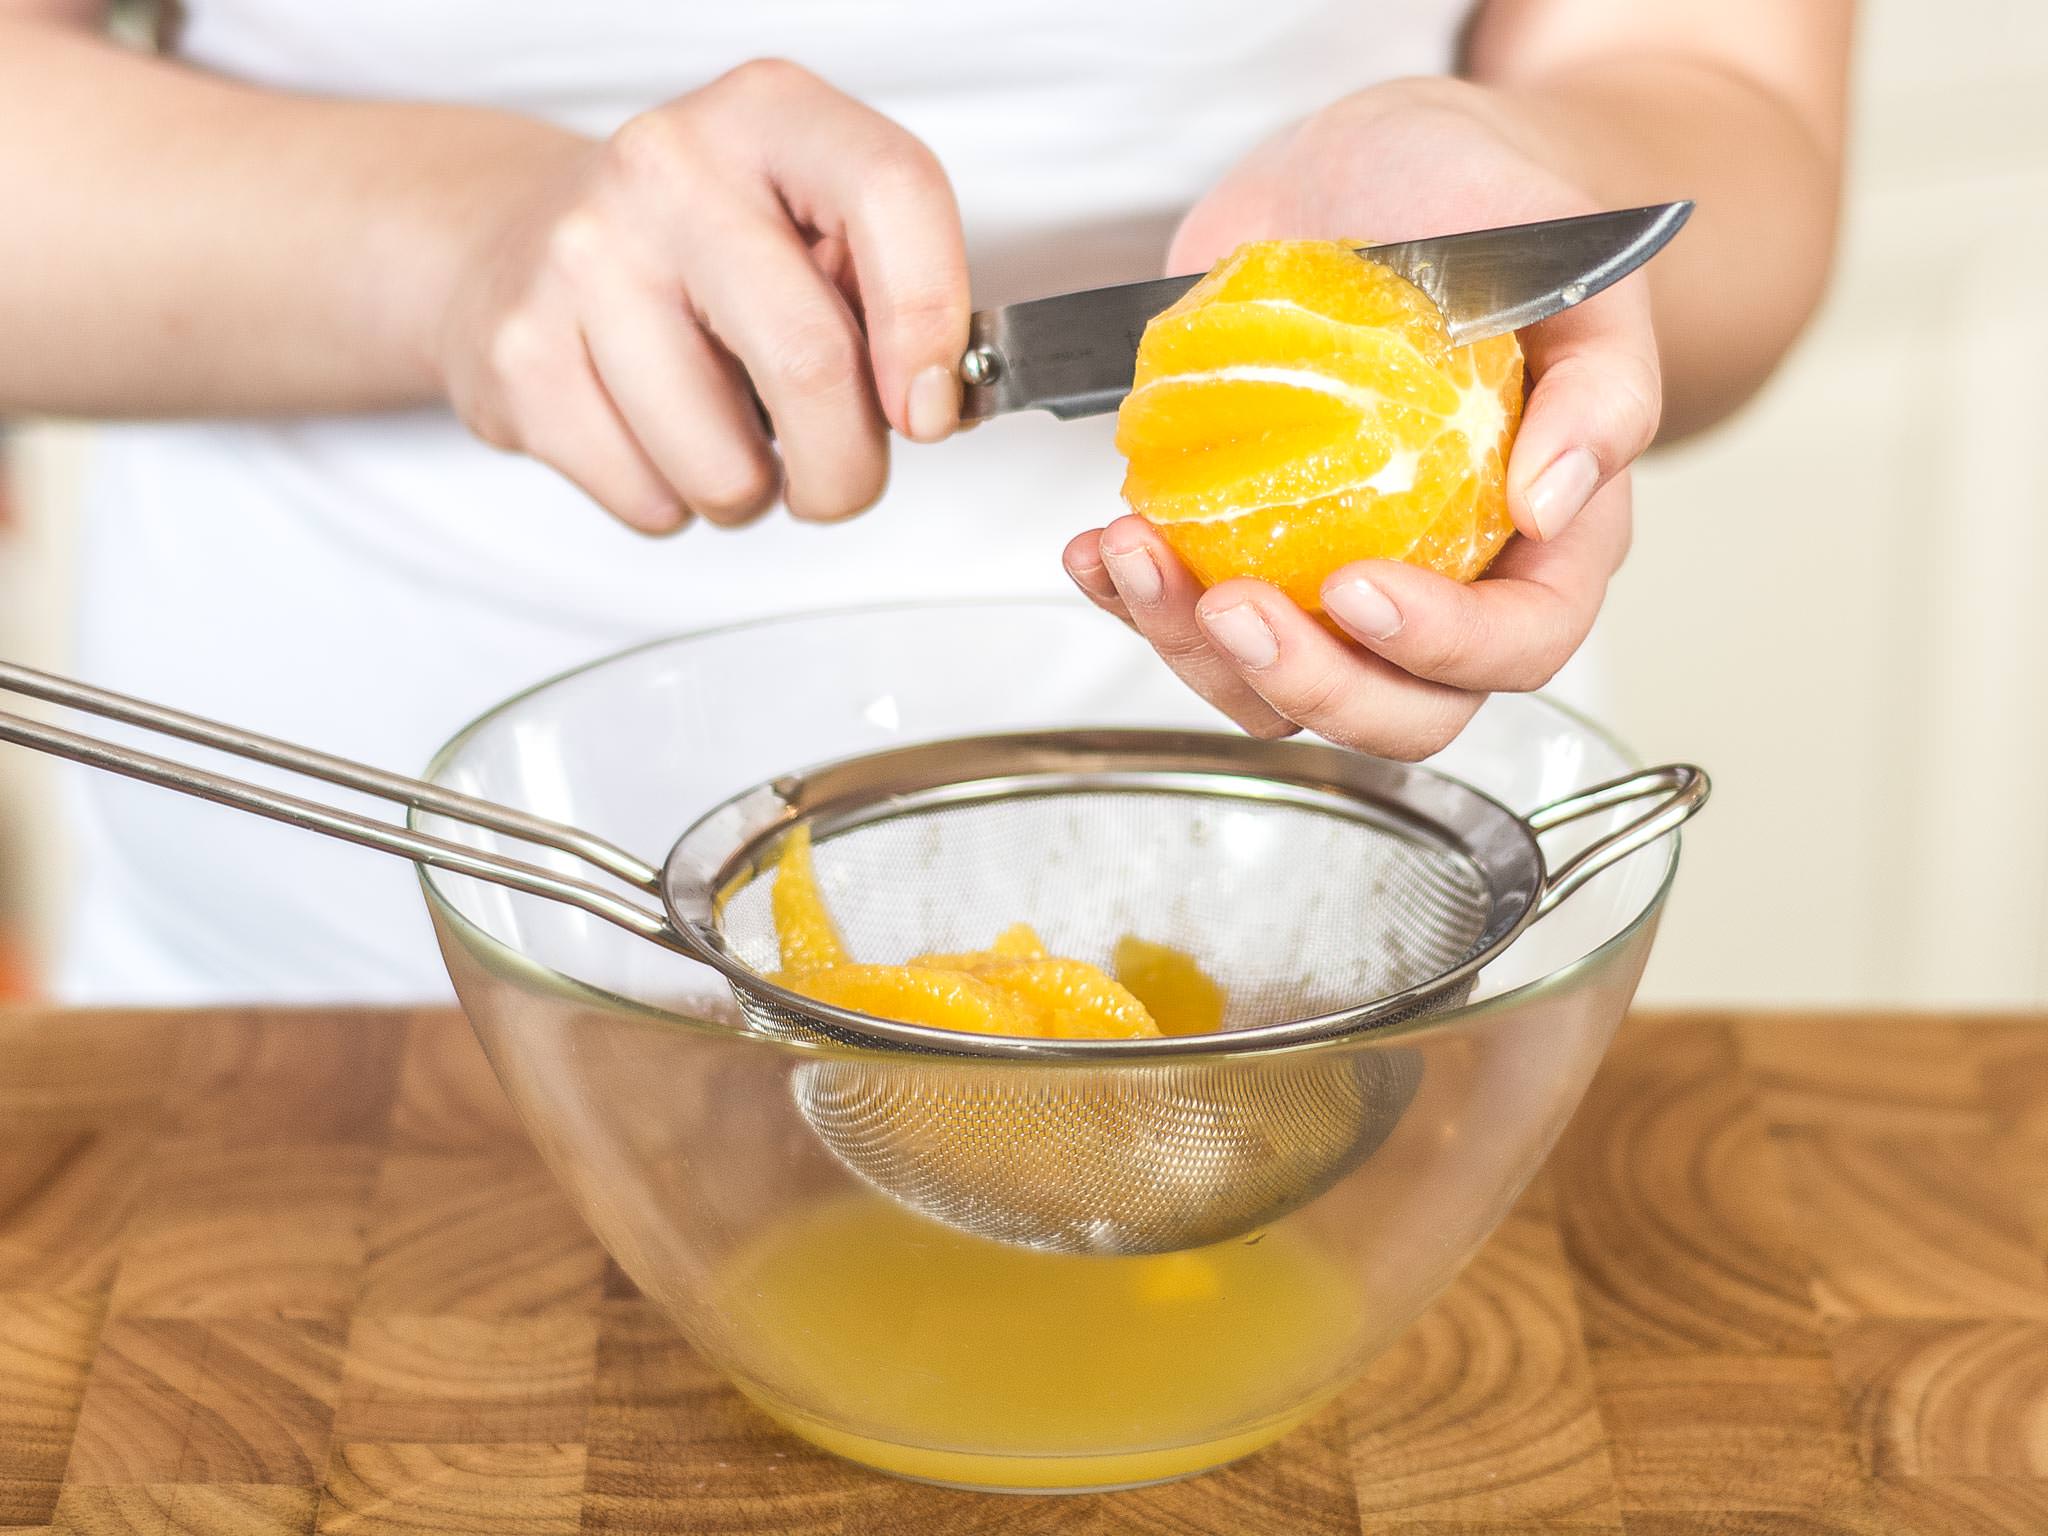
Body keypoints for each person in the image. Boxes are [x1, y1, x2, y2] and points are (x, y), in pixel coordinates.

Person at [0, 1, 1851, 1002]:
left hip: (1281, 945)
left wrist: (1538, 176)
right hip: (332, 973)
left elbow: (1713, 94)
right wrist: (447, 239)